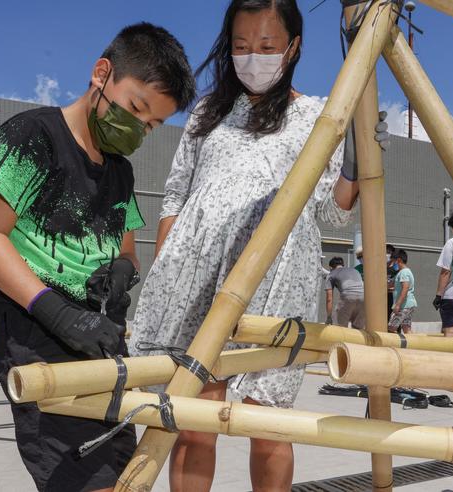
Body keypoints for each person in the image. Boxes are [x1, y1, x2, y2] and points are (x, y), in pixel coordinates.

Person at [126, 1, 387, 490]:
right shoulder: (208, 111)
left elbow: (330, 211)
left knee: (267, 426)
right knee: (194, 421)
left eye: (266, 47)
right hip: (197, 286)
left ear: (293, 47)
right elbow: (177, 193)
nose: (253, 58)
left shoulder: (317, 115)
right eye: (241, 47)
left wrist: (355, 159)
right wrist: (166, 274)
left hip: (276, 284)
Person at [0, 23, 195, 492]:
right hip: (36, 335)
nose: (138, 128)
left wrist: (122, 271)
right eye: (135, 108)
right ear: (101, 73)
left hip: (100, 337)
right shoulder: (32, 136)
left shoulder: (120, 171)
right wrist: (58, 312)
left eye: (151, 125)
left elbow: (127, 246)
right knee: (83, 480)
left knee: (123, 470)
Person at [325, 256, 365, 328]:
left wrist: (329, 317)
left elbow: (329, 298)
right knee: (357, 328)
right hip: (363, 297)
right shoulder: (355, 271)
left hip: (348, 296)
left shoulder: (331, 274)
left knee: (339, 327)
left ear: (330, 268)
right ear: (343, 265)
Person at [388, 249, 416, 334]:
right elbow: (391, 284)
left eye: (393, 261)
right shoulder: (403, 272)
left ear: (399, 260)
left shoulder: (404, 272)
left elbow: (405, 288)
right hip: (409, 305)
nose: (392, 264)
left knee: (391, 328)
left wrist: (398, 305)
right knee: (406, 328)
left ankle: (393, 345)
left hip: (403, 306)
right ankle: (412, 345)